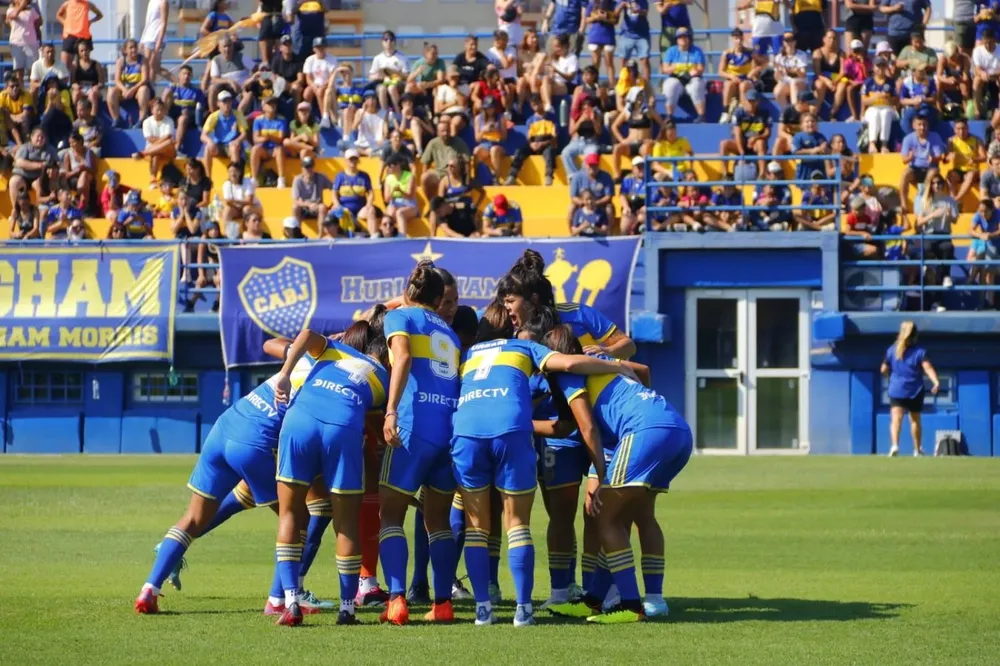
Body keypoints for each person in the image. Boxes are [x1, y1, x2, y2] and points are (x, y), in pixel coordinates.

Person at [541, 323, 690, 624]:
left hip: (644, 431)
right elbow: (643, 371)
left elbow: (588, 428)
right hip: (677, 429)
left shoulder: (568, 374)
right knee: (633, 516)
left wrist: (601, 474)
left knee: (606, 517)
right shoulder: (601, 360)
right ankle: (602, 600)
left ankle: (630, 605)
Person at [376, 265, 461, 626]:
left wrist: (391, 410)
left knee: (391, 515)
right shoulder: (451, 334)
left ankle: (397, 599)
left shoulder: (400, 317)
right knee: (438, 521)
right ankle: (442, 604)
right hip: (448, 431)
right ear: (440, 299)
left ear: (408, 292)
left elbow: (404, 357)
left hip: (413, 424)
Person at [880, 321, 939, 457]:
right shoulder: (920, 352)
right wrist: (936, 382)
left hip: (897, 389)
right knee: (915, 420)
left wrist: (891, 375)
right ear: (915, 335)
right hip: (915, 390)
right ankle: (917, 450)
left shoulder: (892, 350)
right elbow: (928, 368)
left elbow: (883, 369)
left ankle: (895, 446)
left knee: (896, 419)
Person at [506, 94, 556, 186]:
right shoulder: (530, 120)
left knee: (550, 152)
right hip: (534, 143)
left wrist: (542, 144)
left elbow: (554, 138)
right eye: (533, 105)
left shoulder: (551, 118)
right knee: (520, 151)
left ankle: (549, 176)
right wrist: (531, 144)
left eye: (538, 103)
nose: (536, 107)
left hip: (547, 143)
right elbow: (529, 137)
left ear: (542, 103)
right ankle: (512, 176)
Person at [610, 87, 659, 181]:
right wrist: (622, 140)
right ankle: (617, 175)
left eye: (641, 95)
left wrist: (656, 140)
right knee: (616, 148)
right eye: (638, 96)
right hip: (631, 143)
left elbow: (663, 124)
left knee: (645, 150)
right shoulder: (627, 112)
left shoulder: (648, 111)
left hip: (644, 143)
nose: (640, 98)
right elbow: (614, 126)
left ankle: (647, 175)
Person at [900, 114, 945, 213]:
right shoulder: (908, 139)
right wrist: (910, 157)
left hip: (931, 168)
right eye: (919, 124)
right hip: (915, 169)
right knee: (904, 174)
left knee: (932, 172)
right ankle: (904, 205)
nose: (922, 127)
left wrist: (933, 159)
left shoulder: (935, 136)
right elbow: (904, 160)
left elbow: (940, 156)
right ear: (914, 126)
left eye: (924, 124)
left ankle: (925, 201)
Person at [661, 27, 706, 121]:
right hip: (676, 78)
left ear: (689, 38)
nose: (683, 39)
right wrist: (675, 67)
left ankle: (701, 115)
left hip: (692, 78)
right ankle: (669, 116)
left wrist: (696, 71)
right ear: (677, 39)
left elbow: (701, 68)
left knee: (696, 85)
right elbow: (664, 69)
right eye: (680, 37)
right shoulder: (671, 51)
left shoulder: (697, 51)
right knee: (670, 85)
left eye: (685, 37)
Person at [420, 118, 472, 201]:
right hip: (438, 173)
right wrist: (425, 176)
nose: (445, 133)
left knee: (447, 181)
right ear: (438, 132)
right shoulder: (433, 143)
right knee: (424, 177)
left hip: (454, 174)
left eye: (447, 130)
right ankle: (431, 202)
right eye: (442, 131)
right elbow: (425, 163)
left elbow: (467, 162)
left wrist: (467, 180)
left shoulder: (459, 142)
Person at [201, 90, 248, 176]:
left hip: (232, 145)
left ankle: (235, 176)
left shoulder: (238, 114)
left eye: (229, 101)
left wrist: (237, 140)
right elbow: (203, 135)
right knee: (207, 148)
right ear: (218, 103)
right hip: (219, 146)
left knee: (234, 148)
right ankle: (208, 177)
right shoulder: (214, 116)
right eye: (224, 102)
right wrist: (209, 141)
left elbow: (244, 133)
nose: (227, 104)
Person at [720, 89, 771, 168]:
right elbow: (737, 135)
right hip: (742, 143)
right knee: (724, 144)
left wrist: (756, 138)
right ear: (744, 101)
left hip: (755, 145)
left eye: (753, 101)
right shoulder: (738, 113)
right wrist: (742, 153)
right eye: (749, 101)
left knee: (760, 143)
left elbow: (767, 133)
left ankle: (762, 172)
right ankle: (725, 173)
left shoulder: (764, 114)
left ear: (757, 102)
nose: (751, 104)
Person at [164, 65, 206, 156]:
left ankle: (177, 148)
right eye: (184, 74)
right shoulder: (173, 88)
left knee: (183, 118)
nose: (186, 76)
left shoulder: (196, 91)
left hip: (188, 117)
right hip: (173, 114)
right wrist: (167, 93)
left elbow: (201, 108)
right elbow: (164, 100)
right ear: (179, 75)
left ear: (191, 76)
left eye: (189, 74)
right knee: (167, 96)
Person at [107, 39, 151, 128]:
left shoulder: (143, 60)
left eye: (135, 47)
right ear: (125, 50)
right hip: (125, 89)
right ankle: (116, 119)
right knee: (111, 92)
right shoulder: (121, 61)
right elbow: (117, 80)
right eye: (131, 48)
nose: (133, 50)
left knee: (144, 90)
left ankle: (142, 119)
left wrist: (132, 90)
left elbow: (145, 79)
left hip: (138, 88)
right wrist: (124, 90)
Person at [8, 127, 55, 208]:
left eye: (42, 137)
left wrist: (52, 168)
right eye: (38, 136)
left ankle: (41, 209)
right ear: (32, 137)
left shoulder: (50, 149)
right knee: (14, 181)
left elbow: (56, 163)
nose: (40, 139)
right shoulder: (25, 147)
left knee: (40, 185)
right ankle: (16, 209)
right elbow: (20, 163)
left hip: (39, 177)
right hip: (23, 176)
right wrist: (39, 165)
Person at [134, 98, 176, 188]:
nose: (160, 112)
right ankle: (153, 178)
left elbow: (168, 137)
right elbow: (149, 139)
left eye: (162, 109)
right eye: (157, 110)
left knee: (169, 142)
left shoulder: (169, 121)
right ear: (152, 110)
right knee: (156, 154)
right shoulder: (146, 122)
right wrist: (160, 144)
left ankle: (143, 154)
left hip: (167, 150)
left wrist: (157, 145)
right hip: (153, 149)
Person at [718, 28, 758, 121]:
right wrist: (731, 76)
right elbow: (720, 71)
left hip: (746, 79)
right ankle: (725, 112)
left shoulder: (750, 52)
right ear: (732, 39)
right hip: (734, 79)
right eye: (736, 39)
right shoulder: (727, 54)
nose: (739, 41)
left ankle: (741, 112)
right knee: (728, 84)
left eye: (740, 38)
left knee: (743, 86)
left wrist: (750, 75)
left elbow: (756, 68)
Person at [862, 57, 900, 154]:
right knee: (875, 114)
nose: (880, 69)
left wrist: (887, 98)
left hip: (888, 107)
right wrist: (875, 97)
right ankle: (872, 143)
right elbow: (864, 100)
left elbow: (896, 100)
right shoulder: (868, 82)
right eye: (878, 66)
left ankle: (884, 144)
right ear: (873, 68)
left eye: (883, 66)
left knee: (885, 113)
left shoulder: (891, 82)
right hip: (872, 107)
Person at [207, 35, 253, 112]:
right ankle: (214, 114)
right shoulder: (216, 60)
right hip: (225, 88)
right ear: (219, 48)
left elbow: (256, 69)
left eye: (229, 46)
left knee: (249, 94)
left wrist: (249, 80)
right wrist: (230, 81)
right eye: (225, 46)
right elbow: (214, 79)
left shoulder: (242, 57)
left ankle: (239, 115)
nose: (227, 49)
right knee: (212, 88)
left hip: (242, 88)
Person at [947, 118, 987, 204]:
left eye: (963, 128)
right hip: (958, 170)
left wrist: (974, 159)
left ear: (967, 128)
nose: (961, 131)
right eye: (958, 129)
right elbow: (946, 158)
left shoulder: (977, 140)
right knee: (950, 175)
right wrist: (949, 157)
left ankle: (956, 200)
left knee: (970, 175)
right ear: (954, 130)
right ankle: (952, 198)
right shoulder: (951, 141)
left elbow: (984, 157)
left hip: (972, 169)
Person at [250, 97, 287, 188]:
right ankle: (254, 179)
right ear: (263, 107)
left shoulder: (281, 119)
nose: (272, 106)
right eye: (269, 104)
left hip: (275, 149)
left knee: (279, 149)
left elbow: (281, 138)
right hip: (264, 149)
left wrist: (270, 137)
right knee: (255, 149)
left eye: (273, 104)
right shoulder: (258, 120)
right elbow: (255, 139)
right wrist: (265, 138)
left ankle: (281, 179)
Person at [302, 37, 339, 129]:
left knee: (323, 92)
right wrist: (315, 87)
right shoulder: (310, 60)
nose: (320, 50)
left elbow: (331, 77)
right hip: (315, 84)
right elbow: (308, 78)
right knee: (306, 94)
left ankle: (324, 118)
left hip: (328, 85)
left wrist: (322, 87)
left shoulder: (332, 59)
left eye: (322, 47)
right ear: (314, 49)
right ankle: (308, 118)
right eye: (318, 47)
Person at [970, 197, 1000, 308]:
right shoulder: (978, 214)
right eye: (980, 211)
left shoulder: (998, 213)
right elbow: (970, 230)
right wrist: (981, 235)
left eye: (985, 211)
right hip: (988, 247)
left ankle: (988, 302)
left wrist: (990, 235)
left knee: (988, 272)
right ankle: (986, 302)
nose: (983, 214)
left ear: (992, 210)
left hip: (996, 246)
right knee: (985, 271)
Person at [55, 0, 101, 71]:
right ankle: (68, 77)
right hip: (70, 36)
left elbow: (99, 15)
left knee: (84, 64)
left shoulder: (87, 4)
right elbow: (58, 15)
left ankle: (81, 77)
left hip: (84, 37)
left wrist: (90, 21)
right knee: (65, 65)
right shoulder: (67, 4)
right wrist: (65, 23)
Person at [369, 30, 409, 113]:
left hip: (397, 82)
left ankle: (398, 112)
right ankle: (384, 114)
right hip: (383, 82)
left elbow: (407, 76)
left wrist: (393, 73)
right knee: (382, 89)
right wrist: (379, 76)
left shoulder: (402, 58)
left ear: (395, 42)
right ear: (382, 42)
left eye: (391, 39)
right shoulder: (378, 58)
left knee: (391, 88)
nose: (389, 42)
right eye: (386, 39)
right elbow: (371, 76)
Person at [473, 95, 507, 183]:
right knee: (476, 151)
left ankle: (496, 178)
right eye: (488, 108)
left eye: (491, 108)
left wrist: (496, 130)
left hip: (497, 144)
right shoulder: (478, 118)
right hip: (484, 144)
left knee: (494, 150)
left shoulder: (501, 118)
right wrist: (484, 130)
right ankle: (476, 176)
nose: (490, 110)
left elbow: (504, 137)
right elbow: (477, 139)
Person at [291, 155, 331, 227]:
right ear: (302, 168)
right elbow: (296, 200)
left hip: (317, 207)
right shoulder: (297, 180)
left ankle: (320, 233)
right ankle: (297, 231)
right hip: (304, 208)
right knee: (295, 207)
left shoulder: (321, 177)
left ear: (313, 167)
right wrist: (309, 204)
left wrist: (333, 204)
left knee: (322, 207)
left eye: (310, 167)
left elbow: (334, 188)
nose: (309, 169)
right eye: (306, 167)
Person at [383, 156, 419, 236]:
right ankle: (388, 234)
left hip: (409, 205)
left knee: (399, 213)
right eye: (387, 166)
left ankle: (402, 236)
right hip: (395, 204)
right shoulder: (388, 179)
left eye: (390, 166)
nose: (388, 168)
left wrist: (400, 191)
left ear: (397, 165)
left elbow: (410, 195)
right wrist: (393, 192)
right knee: (390, 213)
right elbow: (387, 199)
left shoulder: (410, 176)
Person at [774, 31, 811, 106]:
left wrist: (796, 71)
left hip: (800, 82)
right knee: (778, 90)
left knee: (794, 83)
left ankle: (794, 109)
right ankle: (786, 110)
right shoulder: (779, 57)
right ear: (783, 42)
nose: (790, 42)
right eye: (787, 40)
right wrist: (778, 72)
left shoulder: (801, 55)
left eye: (791, 39)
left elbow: (803, 75)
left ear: (795, 42)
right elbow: (777, 78)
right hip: (786, 82)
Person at [406, 42, 446, 110]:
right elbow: (409, 79)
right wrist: (417, 72)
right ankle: (407, 108)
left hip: (434, 86)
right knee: (409, 87)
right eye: (433, 53)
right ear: (426, 54)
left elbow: (441, 79)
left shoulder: (440, 62)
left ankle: (437, 113)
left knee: (438, 89)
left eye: (436, 53)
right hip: (421, 86)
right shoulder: (419, 63)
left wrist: (428, 84)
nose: (435, 56)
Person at [0, 72, 35, 148]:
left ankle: (26, 141)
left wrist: (15, 117)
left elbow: (25, 113)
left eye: (17, 85)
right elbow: (4, 112)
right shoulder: (2, 95)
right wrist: (13, 117)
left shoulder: (25, 94)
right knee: (7, 120)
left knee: (24, 120)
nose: (15, 88)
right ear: (6, 87)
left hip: (26, 119)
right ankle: (19, 143)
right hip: (10, 120)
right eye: (12, 86)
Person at [222, 161, 260, 230]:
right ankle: (228, 233)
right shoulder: (226, 184)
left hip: (253, 207)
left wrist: (235, 201)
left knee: (246, 209)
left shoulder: (248, 182)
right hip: (237, 209)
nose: (232, 174)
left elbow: (249, 201)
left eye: (234, 171)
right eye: (230, 172)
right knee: (227, 210)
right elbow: (228, 201)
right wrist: (234, 203)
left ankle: (247, 231)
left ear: (239, 172)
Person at [584, 0, 617, 80]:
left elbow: (616, 20)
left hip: (608, 36)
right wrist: (596, 17)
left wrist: (605, 19)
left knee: (609, 62)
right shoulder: (592, 3)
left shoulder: (613, 3)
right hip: (595, 36)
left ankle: (611, 85)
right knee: (595, 63)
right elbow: (587, 20)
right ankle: (594, 83)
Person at [6, 0, 42, 73]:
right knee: (19, 70)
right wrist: (21, 6)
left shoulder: (31, 10)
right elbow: (13, 16)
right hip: (16, 43)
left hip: (30, 43)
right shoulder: (10, 10)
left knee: (32, 69)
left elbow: (39, 22)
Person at [812, 30, 843, 114]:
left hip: (836, 78)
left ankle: (833, 112)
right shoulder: (817, 52)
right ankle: (816, 112)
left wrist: (834, 82)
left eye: (834, 38)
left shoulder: (841, 53)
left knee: (842, 85)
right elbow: (817, 72)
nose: (832, 40)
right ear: (824, 39)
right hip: (821, 77)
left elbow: (842, 71)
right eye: (829, 38)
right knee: (819, 84)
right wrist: (827, 81)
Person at [139, 0, 168, 86]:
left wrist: (159, 42)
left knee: (153, 68)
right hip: (148, 38)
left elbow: (164, 23)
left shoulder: (163, 2)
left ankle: (176, 82)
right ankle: (148, 88)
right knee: (147, 67)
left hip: (156, 38)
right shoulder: (151, 2)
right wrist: (142, 40)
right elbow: (148, 23)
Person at [62, 131, 93, 211]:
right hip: (74, 179)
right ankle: (83, 204)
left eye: (73, 142)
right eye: (70, 143)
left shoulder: (90, 153)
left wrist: (84, 167)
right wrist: (78, 170)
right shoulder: (68, 155)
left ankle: (77, 195)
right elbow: (67, 175)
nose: (71, 145)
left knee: (85, 174)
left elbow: (94, 171)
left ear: (80, 141)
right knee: (84, 178)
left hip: (89, 178)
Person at [70, 39, 103, 112]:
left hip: (92, 88)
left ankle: (93, 116)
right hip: (81, 88)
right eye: (82, 51)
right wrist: (75, 86)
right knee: (75, 94)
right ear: (78, 52)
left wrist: (96, 87)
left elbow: (101, 82)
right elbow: (72, 82)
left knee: (93, 94)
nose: (84, 53)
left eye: (86, 50)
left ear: (89, 50)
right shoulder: (75, 65)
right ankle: (76, 115)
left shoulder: (96, 64)